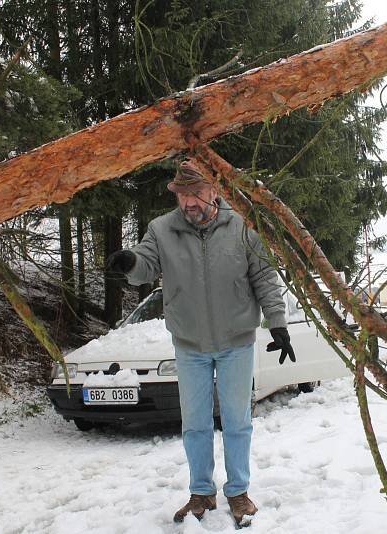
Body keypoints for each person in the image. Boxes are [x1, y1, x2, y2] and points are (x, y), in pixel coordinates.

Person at [105, 159, 296, 527]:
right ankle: (200, 492)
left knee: (237, 421)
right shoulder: (162, 230)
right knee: (194, 423)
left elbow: (264, 276)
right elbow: (145, 264)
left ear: (215, 191)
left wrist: (277, 323)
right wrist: (129, 263)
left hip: (235, 341)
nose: (189, 203)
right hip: (190, 344)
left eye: (196, 194)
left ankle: (238, 492)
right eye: (182, 196)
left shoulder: (243, 227)